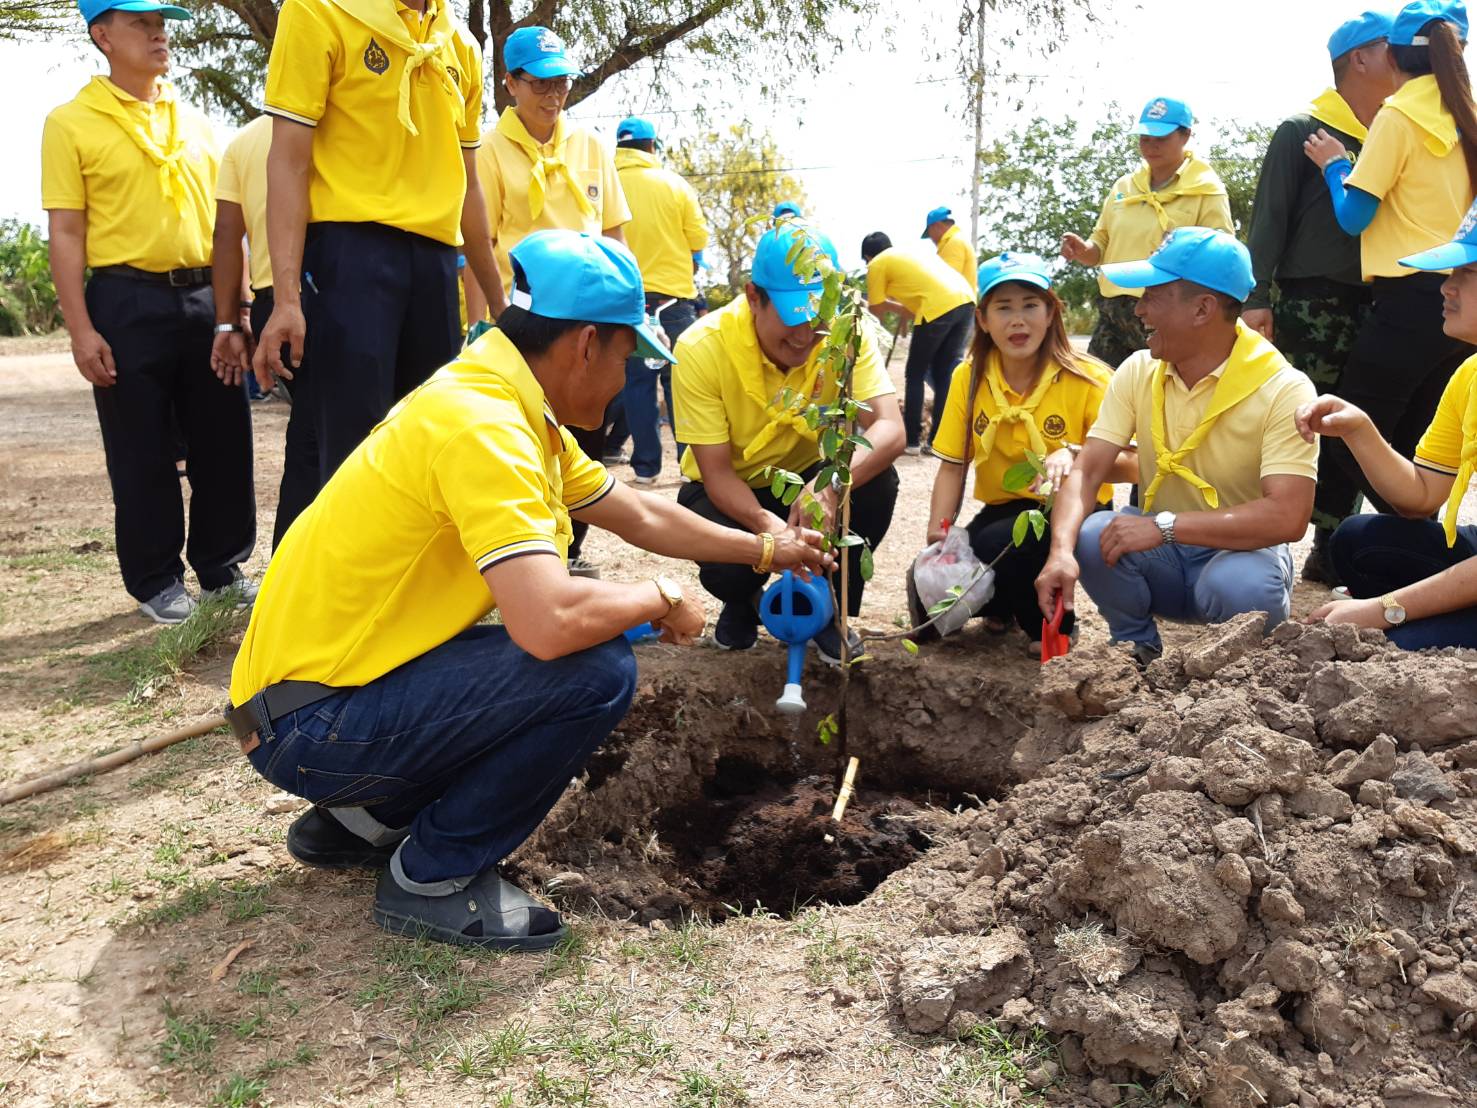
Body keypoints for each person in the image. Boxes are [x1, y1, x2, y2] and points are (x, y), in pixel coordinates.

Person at [227, 231, 829, 950]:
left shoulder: (505, 402)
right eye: (626, 357)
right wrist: (660, 598)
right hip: (312, 726)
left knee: (528, 662)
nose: (625, 379)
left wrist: (766, 548)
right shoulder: (485, 428)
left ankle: (360, 821)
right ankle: (435, 876)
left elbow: (634, 510)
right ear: (584, 346)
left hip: (307, 701)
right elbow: (548, 623)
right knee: (594, 669)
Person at [42, 0, 256, 624]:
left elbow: (229, 225)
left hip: (204, 296)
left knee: (223, 435)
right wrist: (81, 329)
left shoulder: (195, 120)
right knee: (140, 447)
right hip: (125, 298)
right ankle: (157, 580)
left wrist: (237, 308)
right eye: (140, 22)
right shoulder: (70, 122)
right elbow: (66, 233)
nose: (157, 32)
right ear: (102, 35)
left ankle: (220, 565)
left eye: (161, 22)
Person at [1035, 228, 1318, 667]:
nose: (1139, 309)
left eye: (1152, 295)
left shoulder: (1284, 389)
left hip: (1238, 556)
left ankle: (1238, 672)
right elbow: (1087, 471)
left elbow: (1288, 516)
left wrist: (1165, 526)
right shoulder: (1138, 370)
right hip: (1165, 557)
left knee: (1245, 586)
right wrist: (1060, 554)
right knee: (1093, 536)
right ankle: (1135, 653)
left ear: (1203, 308)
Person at [253, 0, 499, 490]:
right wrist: (286, 299)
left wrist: (499, 302)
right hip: (349, 259)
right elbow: (288, 163)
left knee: (430, 441)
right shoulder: (318, 11)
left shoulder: (460, 43)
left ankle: (414, 569)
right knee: (352, 453)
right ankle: (342, 567)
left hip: (433, 264)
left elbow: (469, 185)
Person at [673, 224, 906, 660]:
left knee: (878, 483)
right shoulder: (701, 347)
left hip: (808, 481)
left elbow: (889, 428)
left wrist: (831, 484)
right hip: (730, 491)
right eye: (793, 317)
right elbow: (718, 473)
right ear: (753, 297)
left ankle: (828, 609)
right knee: (724, 563)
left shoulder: (846, 332)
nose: (805, 335)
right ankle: (745, 601)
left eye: (818, 319)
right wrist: (771, 532)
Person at [1304, 0, 1477, 537]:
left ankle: (1403, 534)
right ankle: (1411, 541)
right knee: (1415, 440)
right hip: (1461, 297)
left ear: (1393, 57)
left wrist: (1335, 165)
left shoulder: (1399, 114)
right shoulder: (1466, 116)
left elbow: (1355, 215)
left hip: (1409, 296)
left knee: (1348, 428)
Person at [470, 26, 631, 573]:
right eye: (538, 82)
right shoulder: (487, 151)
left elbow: (614, 235)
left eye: (560, 81)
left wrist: (626, 311)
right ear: (509, 83)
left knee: (587, 431)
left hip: (590, 314)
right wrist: (480, 323)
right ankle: (532, 552)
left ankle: (572, 549)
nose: (552, 93)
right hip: (527, 317)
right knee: (529, 432)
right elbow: (480, 247)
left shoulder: (589, 146)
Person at [1245, 10, 1398, 584]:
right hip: (1310, 304)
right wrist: (1256, 296)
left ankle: (1333, 540)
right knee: (1294, 420)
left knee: (1357, 421)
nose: (1404, 57)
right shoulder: (1304, 129)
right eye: (1391, 49)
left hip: (1379, 302)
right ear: (1360, 58)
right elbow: (1270, 219)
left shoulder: (1392, 130)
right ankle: (1263, 536)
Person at [921, 253, 1136, 650]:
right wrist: (940, 532)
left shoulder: (1089, 379)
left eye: (1030, 305)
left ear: (1052, 312)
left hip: (1074, 507)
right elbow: (953, 465)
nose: (1017, 320)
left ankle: (1055, 624)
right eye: (1003, 308)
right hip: (1005, 507)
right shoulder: (969, 377)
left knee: (1004, 546)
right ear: (982, 319)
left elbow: (1136, 464)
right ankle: (1000, 606)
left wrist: (1076, 456)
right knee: (930, 589)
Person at [1301, 199, 1477, 649]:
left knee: (1401, 644)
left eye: (1466, 274)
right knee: (1357, 540)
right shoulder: (1470, 374)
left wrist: (1384, 610)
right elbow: (1420, 498)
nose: (1445, 288)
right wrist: (1360, 430)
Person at [1061, 96, 1235, 370]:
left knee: (1162, 395)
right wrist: (1085, 250)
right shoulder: (1124, 187)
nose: (1151, 145)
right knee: (1100, 392)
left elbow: (1220, 255)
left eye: (1161, 137)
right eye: (1145, 137)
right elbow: (1101, 242)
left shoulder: (1206, 189)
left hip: (1167, 314)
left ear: (1186, 135)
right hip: (1112, 311)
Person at [212, 113, 321, 549]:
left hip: (270, 297)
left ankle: (291, 566)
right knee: (321, 436)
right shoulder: (339, 124)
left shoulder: (244, 141)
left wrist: (232, 318)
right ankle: (294, 567)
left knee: (312, 427)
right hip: (324, 288)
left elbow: (226, 235)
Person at [611, 115, 708, 484]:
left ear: (619, 147)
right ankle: (689, 466)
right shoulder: (675, 185)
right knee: (679, 384)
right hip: (673, 301)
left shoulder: (605, 184)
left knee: (636, 384)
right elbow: (698, 240)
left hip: (625, 301)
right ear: (652, 146)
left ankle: (645, 468)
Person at [860, 230, 974, 453]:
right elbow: (917, 295)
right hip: (966, 301)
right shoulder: (908, 255)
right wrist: (902, 311)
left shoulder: (877, 264)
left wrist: (871, 341)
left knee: (914, 374)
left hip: (938, 306)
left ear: (867, 256)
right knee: (944, 376)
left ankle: (911, 441)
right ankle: (936, 443)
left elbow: (875, 308)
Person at [923, 205, 977, 288]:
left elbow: (946, 281)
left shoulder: (953, 243)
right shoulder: (957, 240)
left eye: (929, 233)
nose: (931, 239)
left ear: (936, 226)